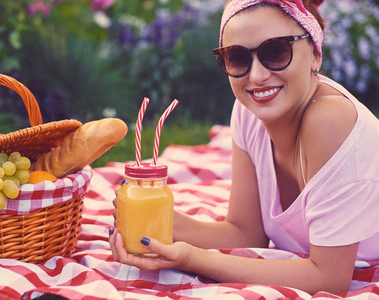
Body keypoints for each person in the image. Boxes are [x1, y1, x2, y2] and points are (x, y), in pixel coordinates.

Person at [108, 0, 379, 294]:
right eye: (237, 58)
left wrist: (192, 258)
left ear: (315, 54)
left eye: (276, 51)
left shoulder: (329, 120)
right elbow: (246, 232)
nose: (257, 76)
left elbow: (329, 278)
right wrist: (162, 224)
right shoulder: (249, 110)